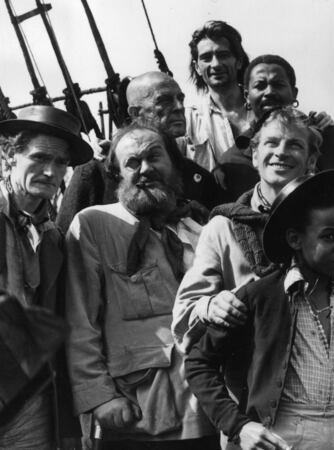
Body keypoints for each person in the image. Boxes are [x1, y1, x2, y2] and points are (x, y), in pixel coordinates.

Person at [186, 170, 334, 450]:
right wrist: (240, 425)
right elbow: (198, 362)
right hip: (283, 441)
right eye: (329, 237)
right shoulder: (261, 297)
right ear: (294, 239)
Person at [64, 124, 219, 449]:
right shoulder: (94, 225)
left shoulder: (202, 232)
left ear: (175, 166)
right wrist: (100, 399)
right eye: (132, 163)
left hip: (206, 414)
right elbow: (80, 324)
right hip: (133, 416)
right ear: (117, 174)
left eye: (154, 157)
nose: (145, 169)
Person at [172, 107, 334, 354]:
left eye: (295, 145)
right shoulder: (223, 228)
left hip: (328, 365)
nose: (281, 152)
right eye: (272, 143)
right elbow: (185, 311)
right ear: (255, 155)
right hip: (255, 374)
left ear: (311, 161)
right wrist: (212, 306)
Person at [0, 105, 91, 449]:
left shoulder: (52, 238)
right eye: (39, 158)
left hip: (28, 397)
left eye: (61, 163)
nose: (51, 171)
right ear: (9, 156)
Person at [57, 71, 221, 233]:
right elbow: (65, 240)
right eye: (164, 101)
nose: (179, 107)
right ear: (136, 113)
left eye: (180, 99)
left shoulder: (195, 176)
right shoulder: (97, 173)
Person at [214, 54, 334, 202]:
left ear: (294, 93)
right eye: (260, 86)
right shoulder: (232, 161)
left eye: (278, 85)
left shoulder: (330, 139)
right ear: (247, 95)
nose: (269, 92)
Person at [185, 20, 251, 172]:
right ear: (197, 67)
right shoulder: (188, 121)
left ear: (239, 61)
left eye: (223, 55)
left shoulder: (264, 111)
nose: (215, 64)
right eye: (206, 57)